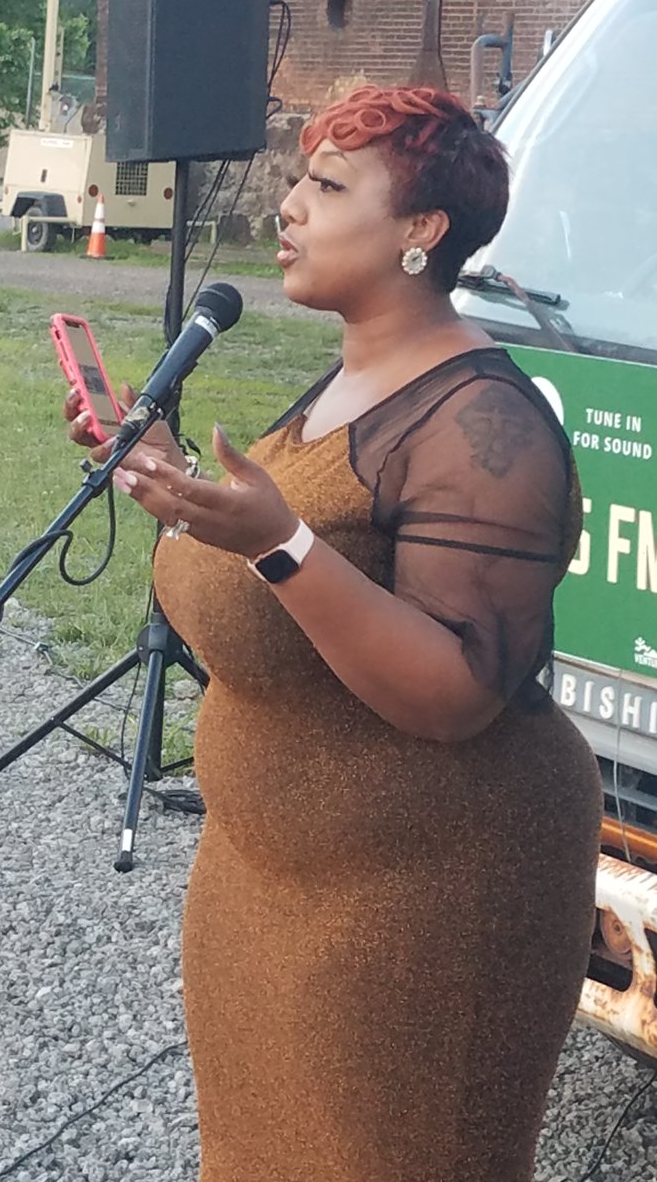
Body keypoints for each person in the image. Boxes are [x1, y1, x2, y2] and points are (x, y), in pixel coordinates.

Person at [65, 86, 602, 1182]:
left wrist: (279, 545)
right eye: (299, 177)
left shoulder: (486, 425)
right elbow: (291, 573)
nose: (288, 206)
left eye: (326, 185)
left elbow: (456, 693)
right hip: (267, 880)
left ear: (421, 233)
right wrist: (175, 484)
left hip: (425, 903)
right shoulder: (349, 378)